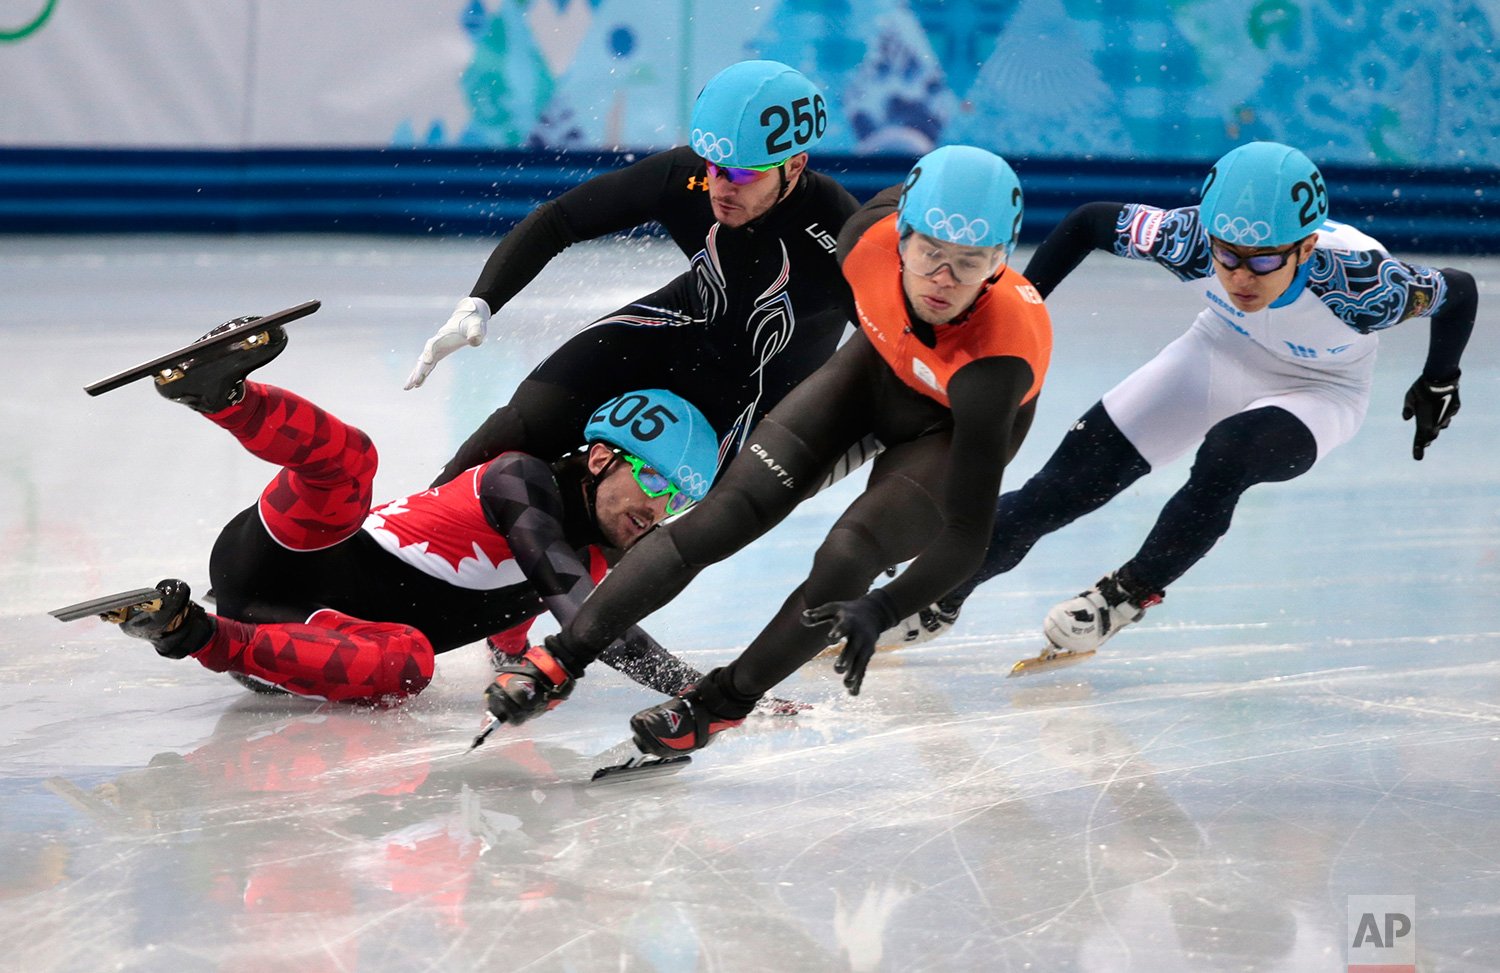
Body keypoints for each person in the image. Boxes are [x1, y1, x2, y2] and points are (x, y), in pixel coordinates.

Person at [476, 144, 1054, 754]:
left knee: (847, 557)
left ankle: (722, 704)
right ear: (901, 233)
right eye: (930, 253)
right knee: (721, 517)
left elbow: (968, 533)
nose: (943, 280)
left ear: (1000, 263)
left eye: (970, 264)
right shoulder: (864, 236)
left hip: (948, 431)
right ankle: (562, 658)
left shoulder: (997, 366)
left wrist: (884, 607)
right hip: (872, 373)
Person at [891, 140, 1479, 662]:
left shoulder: (1364, 285)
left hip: (1320, 390)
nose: (1241, 277)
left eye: (1266, 259)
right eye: (1228, 256)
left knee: (1229, 455)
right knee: (1059, 489)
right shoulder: (1192, 237)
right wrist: (1020, 310)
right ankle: (940, 596)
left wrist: (1439, 379)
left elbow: (1462, 289)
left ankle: (1124, 594)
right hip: (1218, 352)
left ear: (1305, 247)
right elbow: (1090, 222)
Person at [87, 313, 722, 703]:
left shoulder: (585, 557)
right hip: (290, 551)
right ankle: (224, 396)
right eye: (655, 483)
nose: (662, 510)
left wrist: (509, 653)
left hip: (296, 641)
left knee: (409, 662)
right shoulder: (517, 479)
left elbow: (526, 595)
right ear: (602, 459)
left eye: (681, 499)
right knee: (352, 461)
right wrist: (703, 692)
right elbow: (575, 604)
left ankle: (191, 632)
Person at [406, 60, 865, 486]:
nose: (721, 187)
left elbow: (893, 352)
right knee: (517, 430)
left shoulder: (839, 233)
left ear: (795, 165)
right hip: (677, 325)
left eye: (744, 175)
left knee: (618, 502)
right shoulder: (683, 175)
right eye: (714, 167)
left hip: (757, 396)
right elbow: (558, 221)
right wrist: (482, 300)